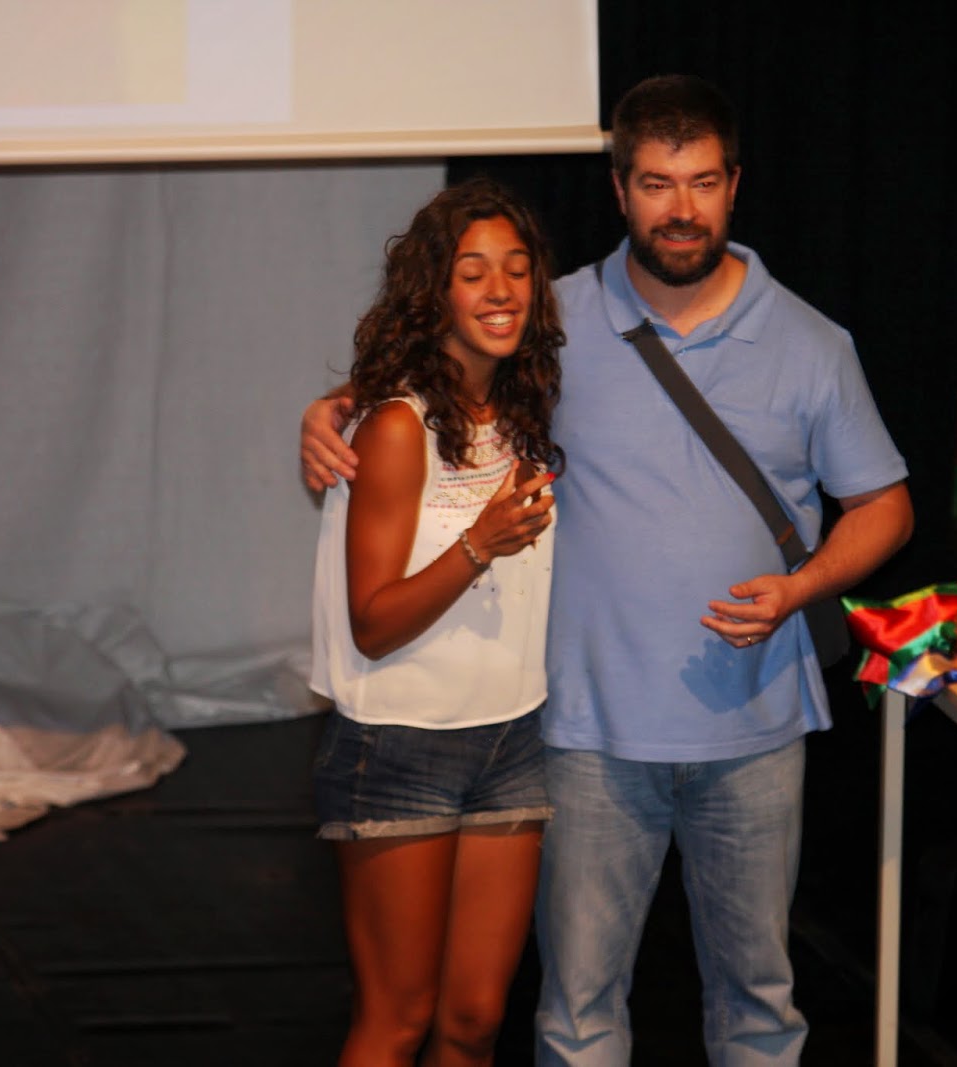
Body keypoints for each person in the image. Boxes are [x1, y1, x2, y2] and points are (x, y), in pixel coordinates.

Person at [303, 76, 913, 1066]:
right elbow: (432, 366)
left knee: (760, 1004)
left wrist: (802, 589)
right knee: (576, 1012)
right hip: (584, 735)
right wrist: (333, 410)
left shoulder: (812, 344)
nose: (682, 209)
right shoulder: (553, 320)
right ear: (621, 190)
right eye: (658, 184)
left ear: (735, 186)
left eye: (703, 182)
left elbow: (886, 504)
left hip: (755, 731)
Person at [308, 177, 565, 1067]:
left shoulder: (523, 408)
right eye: (474, 271)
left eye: (517, 269)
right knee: (398, 1019)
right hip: (399, 747)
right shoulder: (394, 425)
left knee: (475, 1020)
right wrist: (479, 544)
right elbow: (372, 622)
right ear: (435, 291)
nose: (501, 290)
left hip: (512, 739)